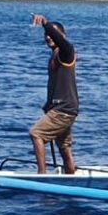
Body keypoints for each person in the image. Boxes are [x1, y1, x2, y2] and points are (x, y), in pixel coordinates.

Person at [28, 14, 79, 174]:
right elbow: (55, 84)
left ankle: (41, 175)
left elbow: (61, 41)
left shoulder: (66, 52)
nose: (48, 37)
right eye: (46, 35)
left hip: (64, 110)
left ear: (61, 36)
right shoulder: (54, 55)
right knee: (64, 146)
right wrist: (49, 103)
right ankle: (71, 177)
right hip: (60, 108)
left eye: (52, 35)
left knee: (36, 133)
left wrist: (45, 23)